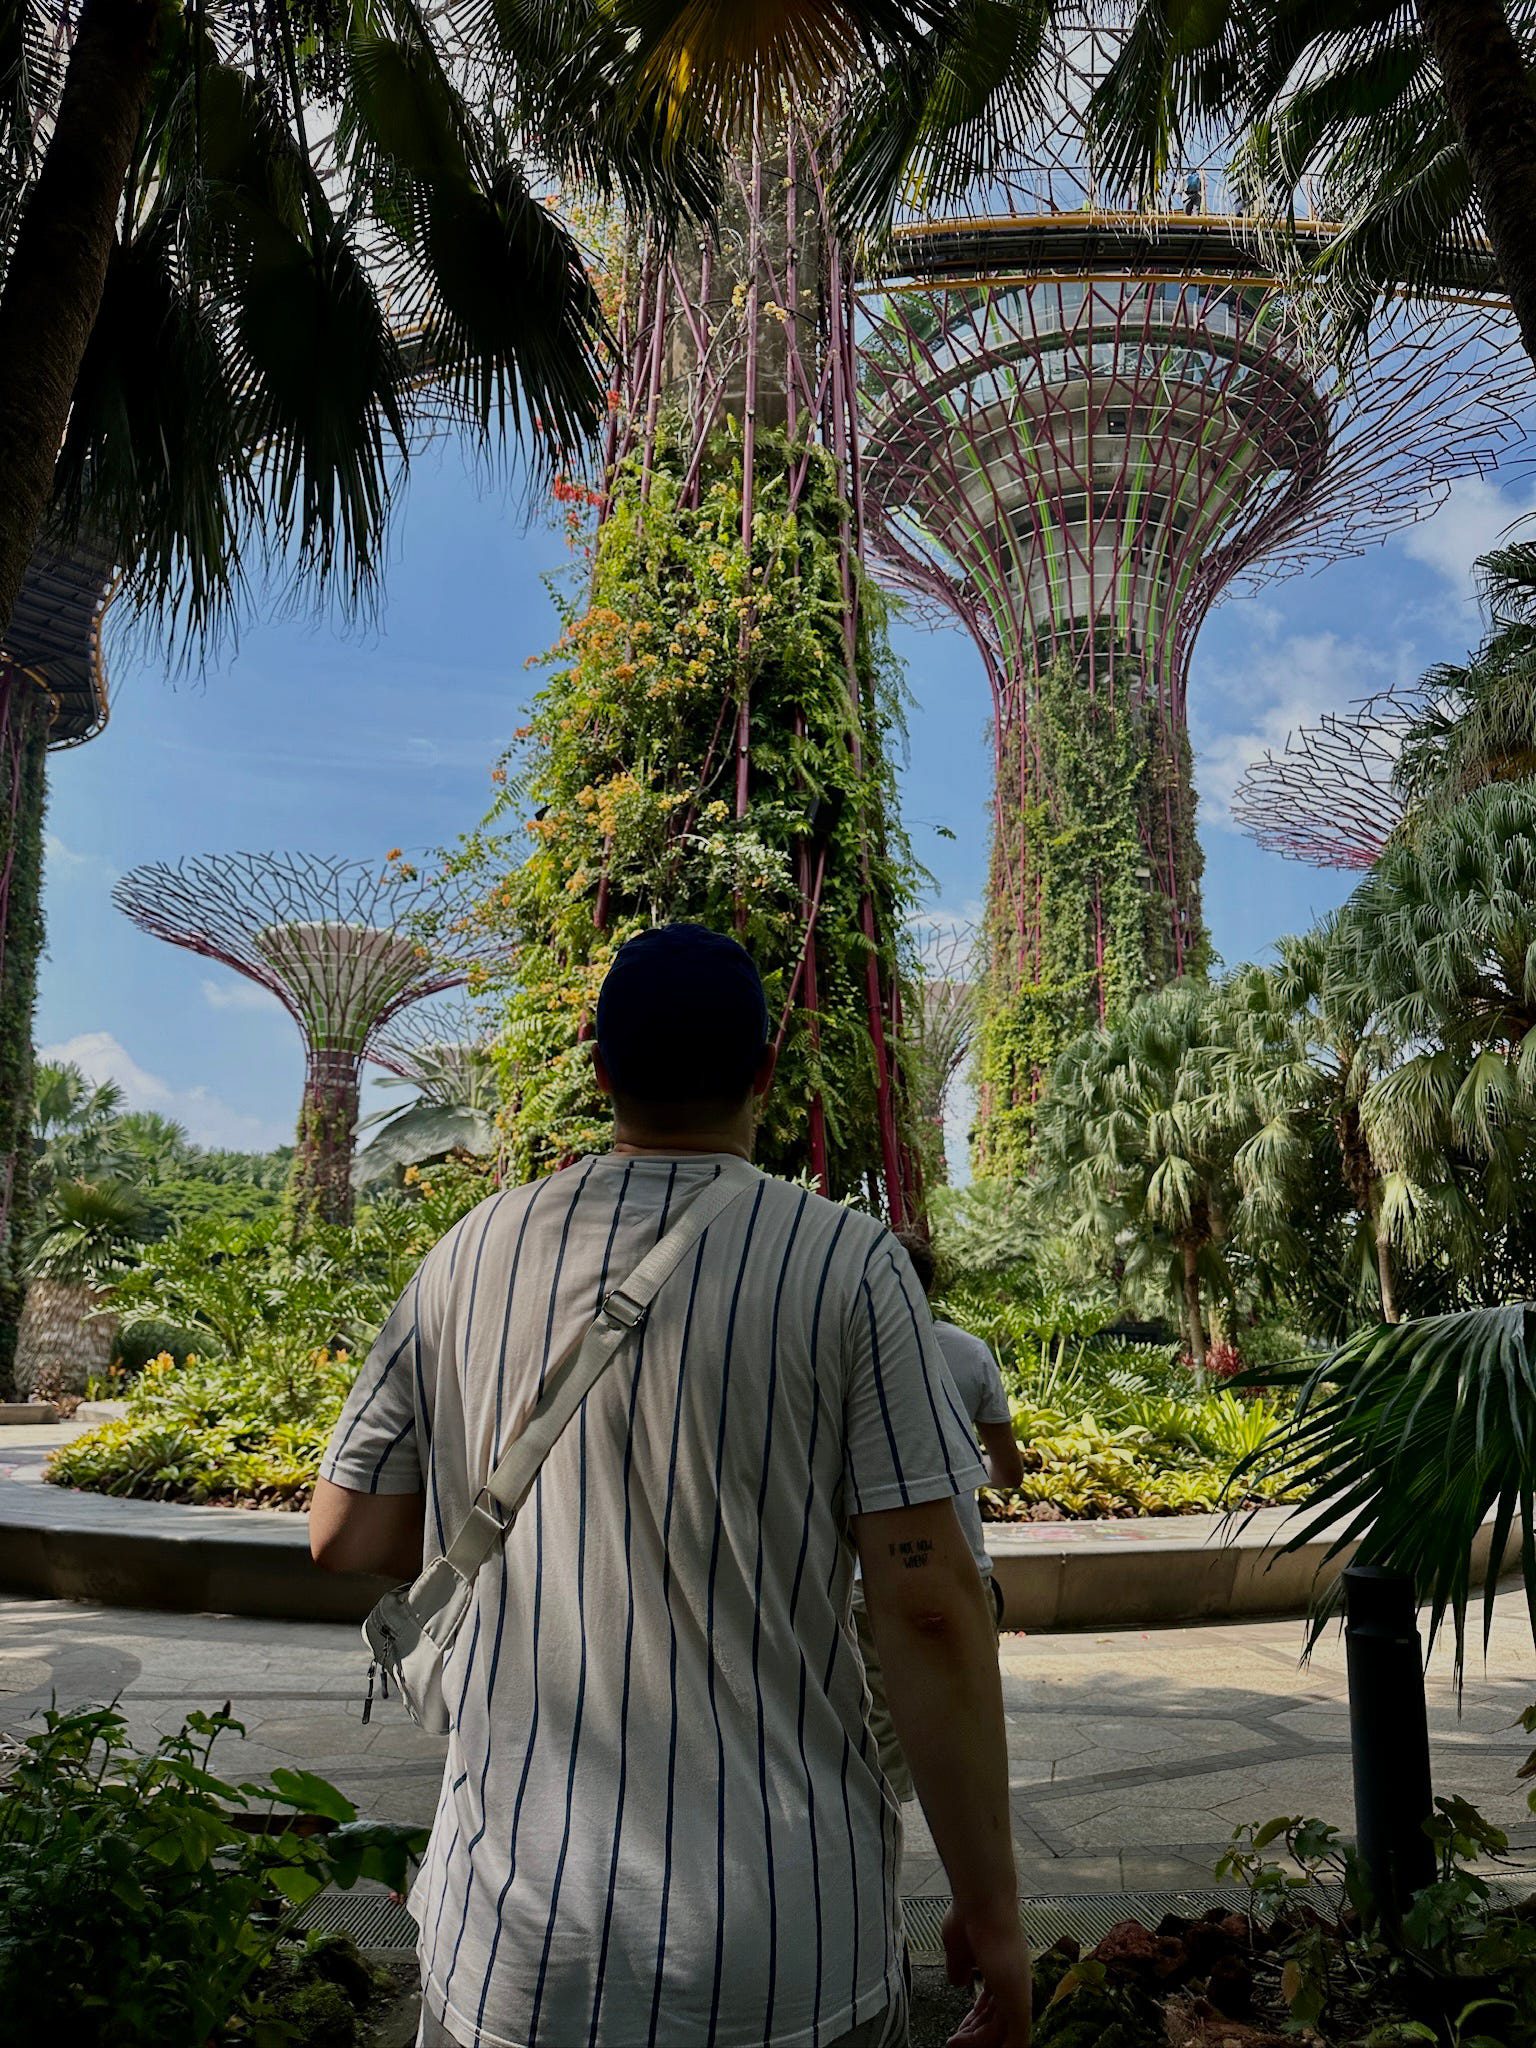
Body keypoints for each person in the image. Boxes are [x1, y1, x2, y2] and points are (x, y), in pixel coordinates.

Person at [311, 922, 1032, 2048]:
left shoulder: (467, 1252)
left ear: (600, 1069)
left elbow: (344, 1530)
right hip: (787, 1945)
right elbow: (930, 1601)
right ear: (764, 1075)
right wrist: (989, 1909)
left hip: (510, 1941)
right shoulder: (849, 1263)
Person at [852, 1234, 1024, 1807]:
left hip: (861, 1574)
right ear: (927, 1284)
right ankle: (980, 1886)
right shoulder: (969, 1352)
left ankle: (880, 1873)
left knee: (875, 1731)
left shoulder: (836, 1347)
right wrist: (965, 1472)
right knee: (971, 1719)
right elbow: (1009, 1470)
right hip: (956, 1567)